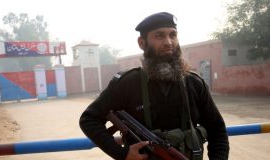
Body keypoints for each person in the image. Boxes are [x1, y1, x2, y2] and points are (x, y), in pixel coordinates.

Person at [79, 12, 229, 160]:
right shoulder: (127, 83)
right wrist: (122, 154)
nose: (168, 42)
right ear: (142, 43)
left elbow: (217, 130)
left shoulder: (194, 83)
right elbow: (89, 119)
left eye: (173, 35)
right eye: (159, 36)